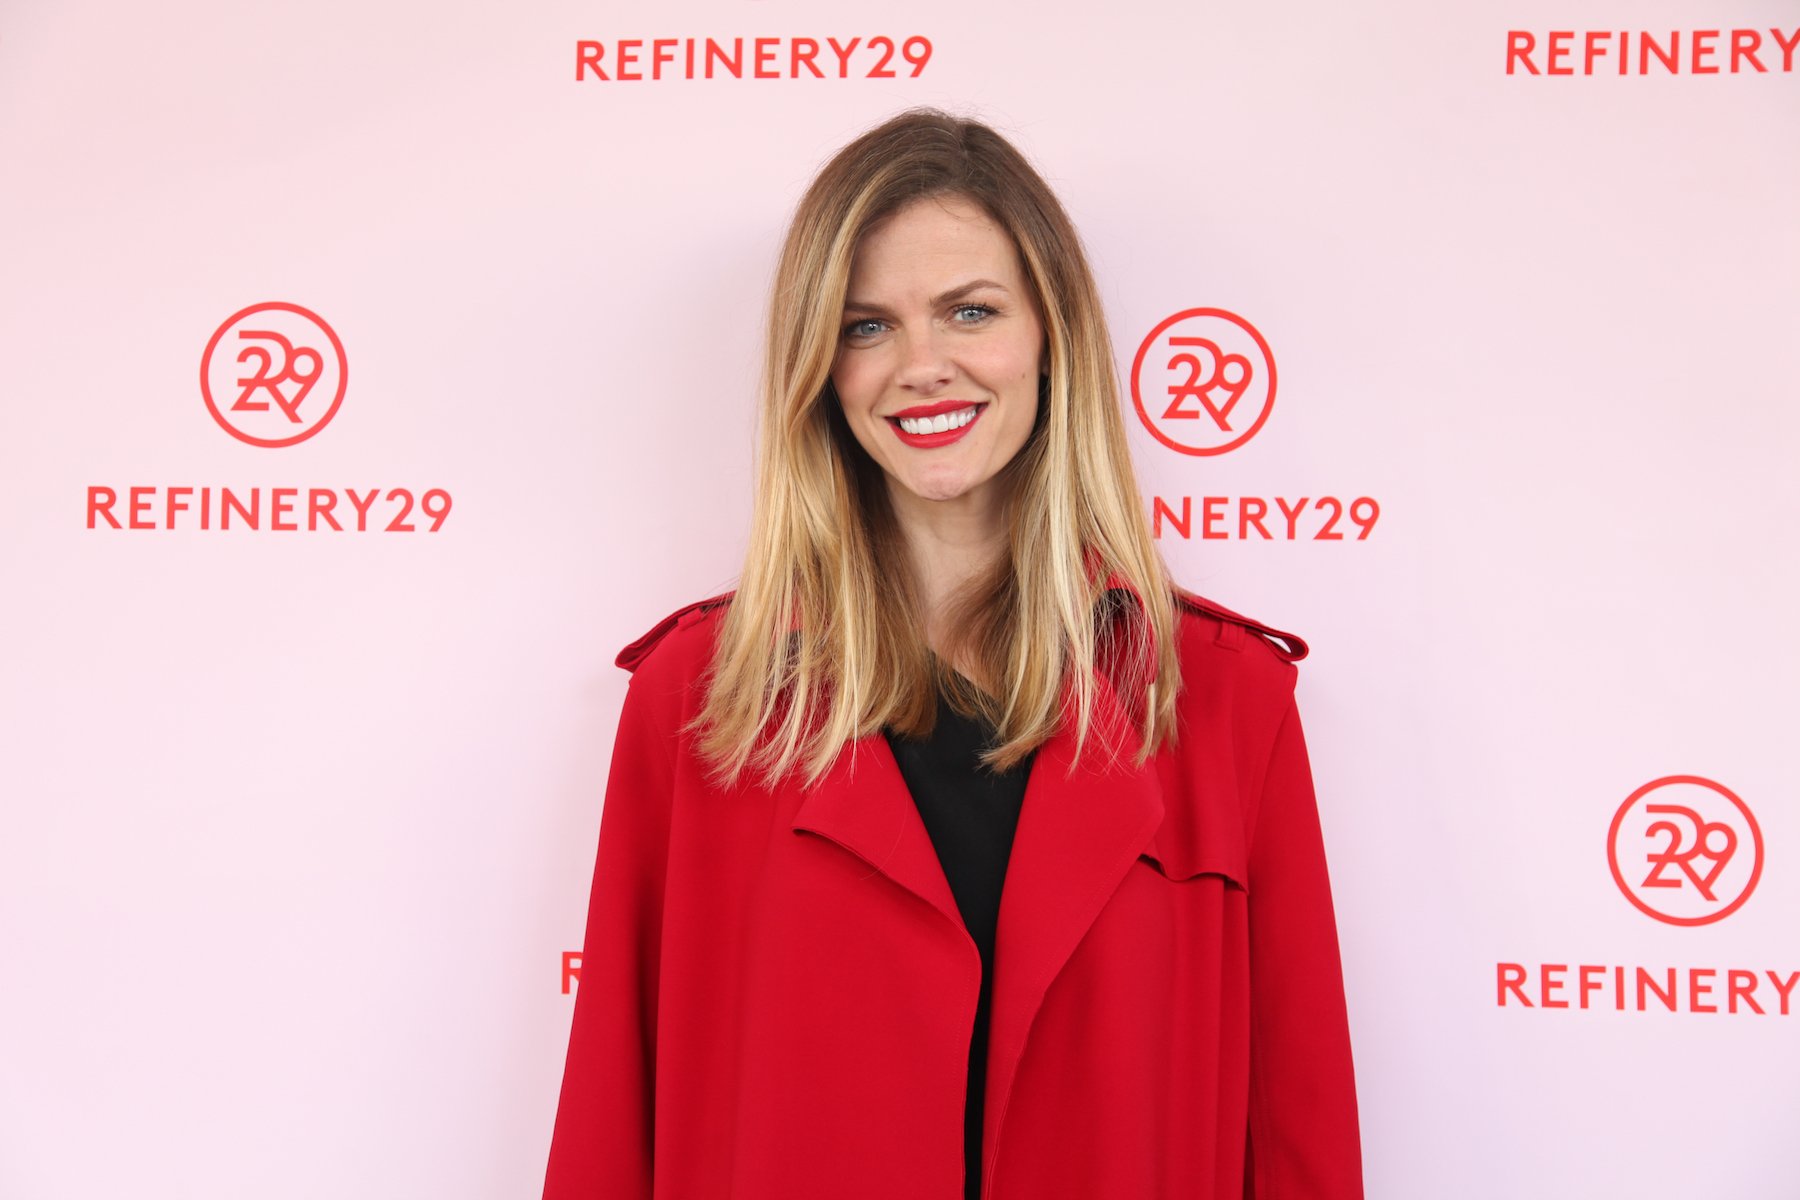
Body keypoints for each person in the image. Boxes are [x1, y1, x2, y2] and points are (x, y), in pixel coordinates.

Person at [542, 106, 1363, 1200]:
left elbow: (1299, 1135)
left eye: (969, 311)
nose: (921, 366)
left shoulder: (1220, 699)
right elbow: (610, 1125)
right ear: (820, 367)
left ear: (1050, 336)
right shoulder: (699, 701)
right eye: (867, 325)